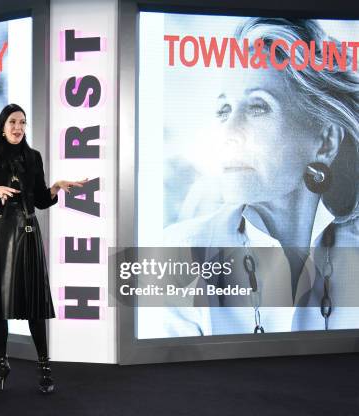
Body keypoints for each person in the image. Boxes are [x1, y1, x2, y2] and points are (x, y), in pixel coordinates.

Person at [147, 18, 359, 337]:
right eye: (224, 111)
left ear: (325, 141)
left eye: (258, 107)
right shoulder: (180, 251)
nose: (229, 133)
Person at [0, 103, 87, 394]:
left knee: (33, 301)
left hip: (27, 232)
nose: (18, 127)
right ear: (2, 126)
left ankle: (44, 365)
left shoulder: (33, 157)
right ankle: (0, 366)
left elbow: (40, 200)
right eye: (12, 122)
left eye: (22, 122)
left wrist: (56, 188)